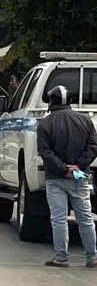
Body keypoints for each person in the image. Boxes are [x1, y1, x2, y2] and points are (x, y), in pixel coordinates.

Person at [37, 84, 97, 268]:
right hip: (79, 175)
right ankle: (92, 258)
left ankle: (61, 258)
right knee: (85, 217)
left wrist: (64, 169)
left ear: (51, 102)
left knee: (59, 218)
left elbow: (45, 152)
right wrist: (77, 167)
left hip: (55, 177)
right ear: (69, 102)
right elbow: (93, 147)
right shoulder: (85, 120)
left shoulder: (45, 123)